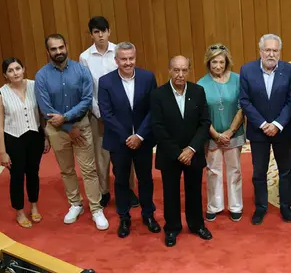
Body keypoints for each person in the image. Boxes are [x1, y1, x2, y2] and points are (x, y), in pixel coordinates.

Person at [35, 34, 108, 230]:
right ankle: (75, 204)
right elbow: (44, 106)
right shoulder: (41, 76)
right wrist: (67, 127)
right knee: (67, 170)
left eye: (61, 47)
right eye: (53, 49)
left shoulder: (81, 70)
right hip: (57, 130)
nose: (58, 52)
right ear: (48, 52)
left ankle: (95, 208)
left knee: (89, 170)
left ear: (66, 46)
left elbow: (86, 100)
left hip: (81, 126)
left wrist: (67, 119)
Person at [97, 42, 160, 238]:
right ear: (116, 60)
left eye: (131, 58)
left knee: (146, 180)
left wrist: (139, 135)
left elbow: (153, 109)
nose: (128, 62)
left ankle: (148, 214)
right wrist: (127, 137)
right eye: (123, 59)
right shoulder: (105, 82)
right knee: (122, 181)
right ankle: (124, 218)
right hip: (119, 141)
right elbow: (106, 114)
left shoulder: (148, 77)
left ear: (135, 58)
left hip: (143, 140)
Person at [151, 55, 213, 245]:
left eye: (184, 70)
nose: (180, 74)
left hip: (193, 152)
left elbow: (204, 123)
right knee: (170, 193)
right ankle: (172, 228)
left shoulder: (198, 91)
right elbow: (157, 127)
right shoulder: (158, 95)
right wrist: (178, 153)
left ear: (189, 70)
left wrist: (191, 149)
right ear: (169, 70)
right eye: (176, 70)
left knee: (194, 191)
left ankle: (196, 225)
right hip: (170, 155)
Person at [79, 16, 138, 209]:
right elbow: (88, 88)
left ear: (109, 31)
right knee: (101, 154)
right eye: (96, 32)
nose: (101, 35)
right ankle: (104, 192)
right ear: (91, 35)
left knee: (125, 152)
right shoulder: (85, 57)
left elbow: (128, 78)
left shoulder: (119, 51)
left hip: (122, 114)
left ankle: (129, 190)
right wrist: (100, 113)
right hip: (97, 114)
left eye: (103, 31)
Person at [240, 34, 291, 225]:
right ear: (260, 51)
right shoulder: (247, 70)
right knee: (259, 171)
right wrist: (263, 125)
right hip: (258, 131)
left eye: (275, 50)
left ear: (280, 52)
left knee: (285, 170)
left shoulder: (290, 70)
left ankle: (286, 206)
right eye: (267, 50)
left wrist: (278, 124)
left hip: (282, 129)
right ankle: (261, 207)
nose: (271, 54)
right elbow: (245, 101)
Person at [0, 57, 50, 228]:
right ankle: (19, 211)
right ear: (5, 75)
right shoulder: (0, 94)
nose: (15, 73)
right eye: (10, 71)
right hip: (14, 138)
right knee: (17, 175)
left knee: (33, 172)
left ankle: (34, 205)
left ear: (23, 69)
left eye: (17, 68)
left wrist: (46, 136)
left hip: (35, 136)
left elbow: (42, 113)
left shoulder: (35, 86)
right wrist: (2, 152)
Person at [197, 43, 245, 223]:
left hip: (234, 132)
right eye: (214, 62)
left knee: (235, 170)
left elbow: (242, 107)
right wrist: (216, 135)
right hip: (211, 134)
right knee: (213, 171)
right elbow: (201, 114)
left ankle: (235, 206)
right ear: (208, 63)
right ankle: (214, 206)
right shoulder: (201, 84)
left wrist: (230, 131)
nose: (218, 66)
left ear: (227, 62)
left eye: (221, 62)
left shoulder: (237, 80)